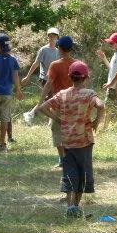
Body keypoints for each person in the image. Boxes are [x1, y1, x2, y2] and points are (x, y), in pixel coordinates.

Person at [38, 61, 105, 217]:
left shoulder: (63, 94)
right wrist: (96, 122)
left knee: (69, 172)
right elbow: (101, 105)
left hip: (67, 140)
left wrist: (58, 119)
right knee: (82, 174)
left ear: (70, 77)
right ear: (86, 77)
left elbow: (42, 107)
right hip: (84, 141)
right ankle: (76, 205)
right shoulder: (89, 94)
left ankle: (69, 206)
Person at [32, 35, 77, 168]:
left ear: (59, 49)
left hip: (59, 102)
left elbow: (48, 83)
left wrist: (40, 102)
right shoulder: (77, 64)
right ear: (71, 49)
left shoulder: (55, 65)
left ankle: (63, 159)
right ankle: (70, 157)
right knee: (72, 129)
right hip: (74, 102)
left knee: (57, 128)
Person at [22, 27, 61, 126]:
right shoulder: (43, 50)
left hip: (54, 79)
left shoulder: (58, 51)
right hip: (45, 79)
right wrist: (27, 76)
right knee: (48, 99)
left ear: (57, 38)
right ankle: (30, 114)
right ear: (48, 37)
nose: (52, 38)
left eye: (54, 36)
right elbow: (36, 63)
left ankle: (50, 121)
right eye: (50, 36)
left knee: (52, 99)